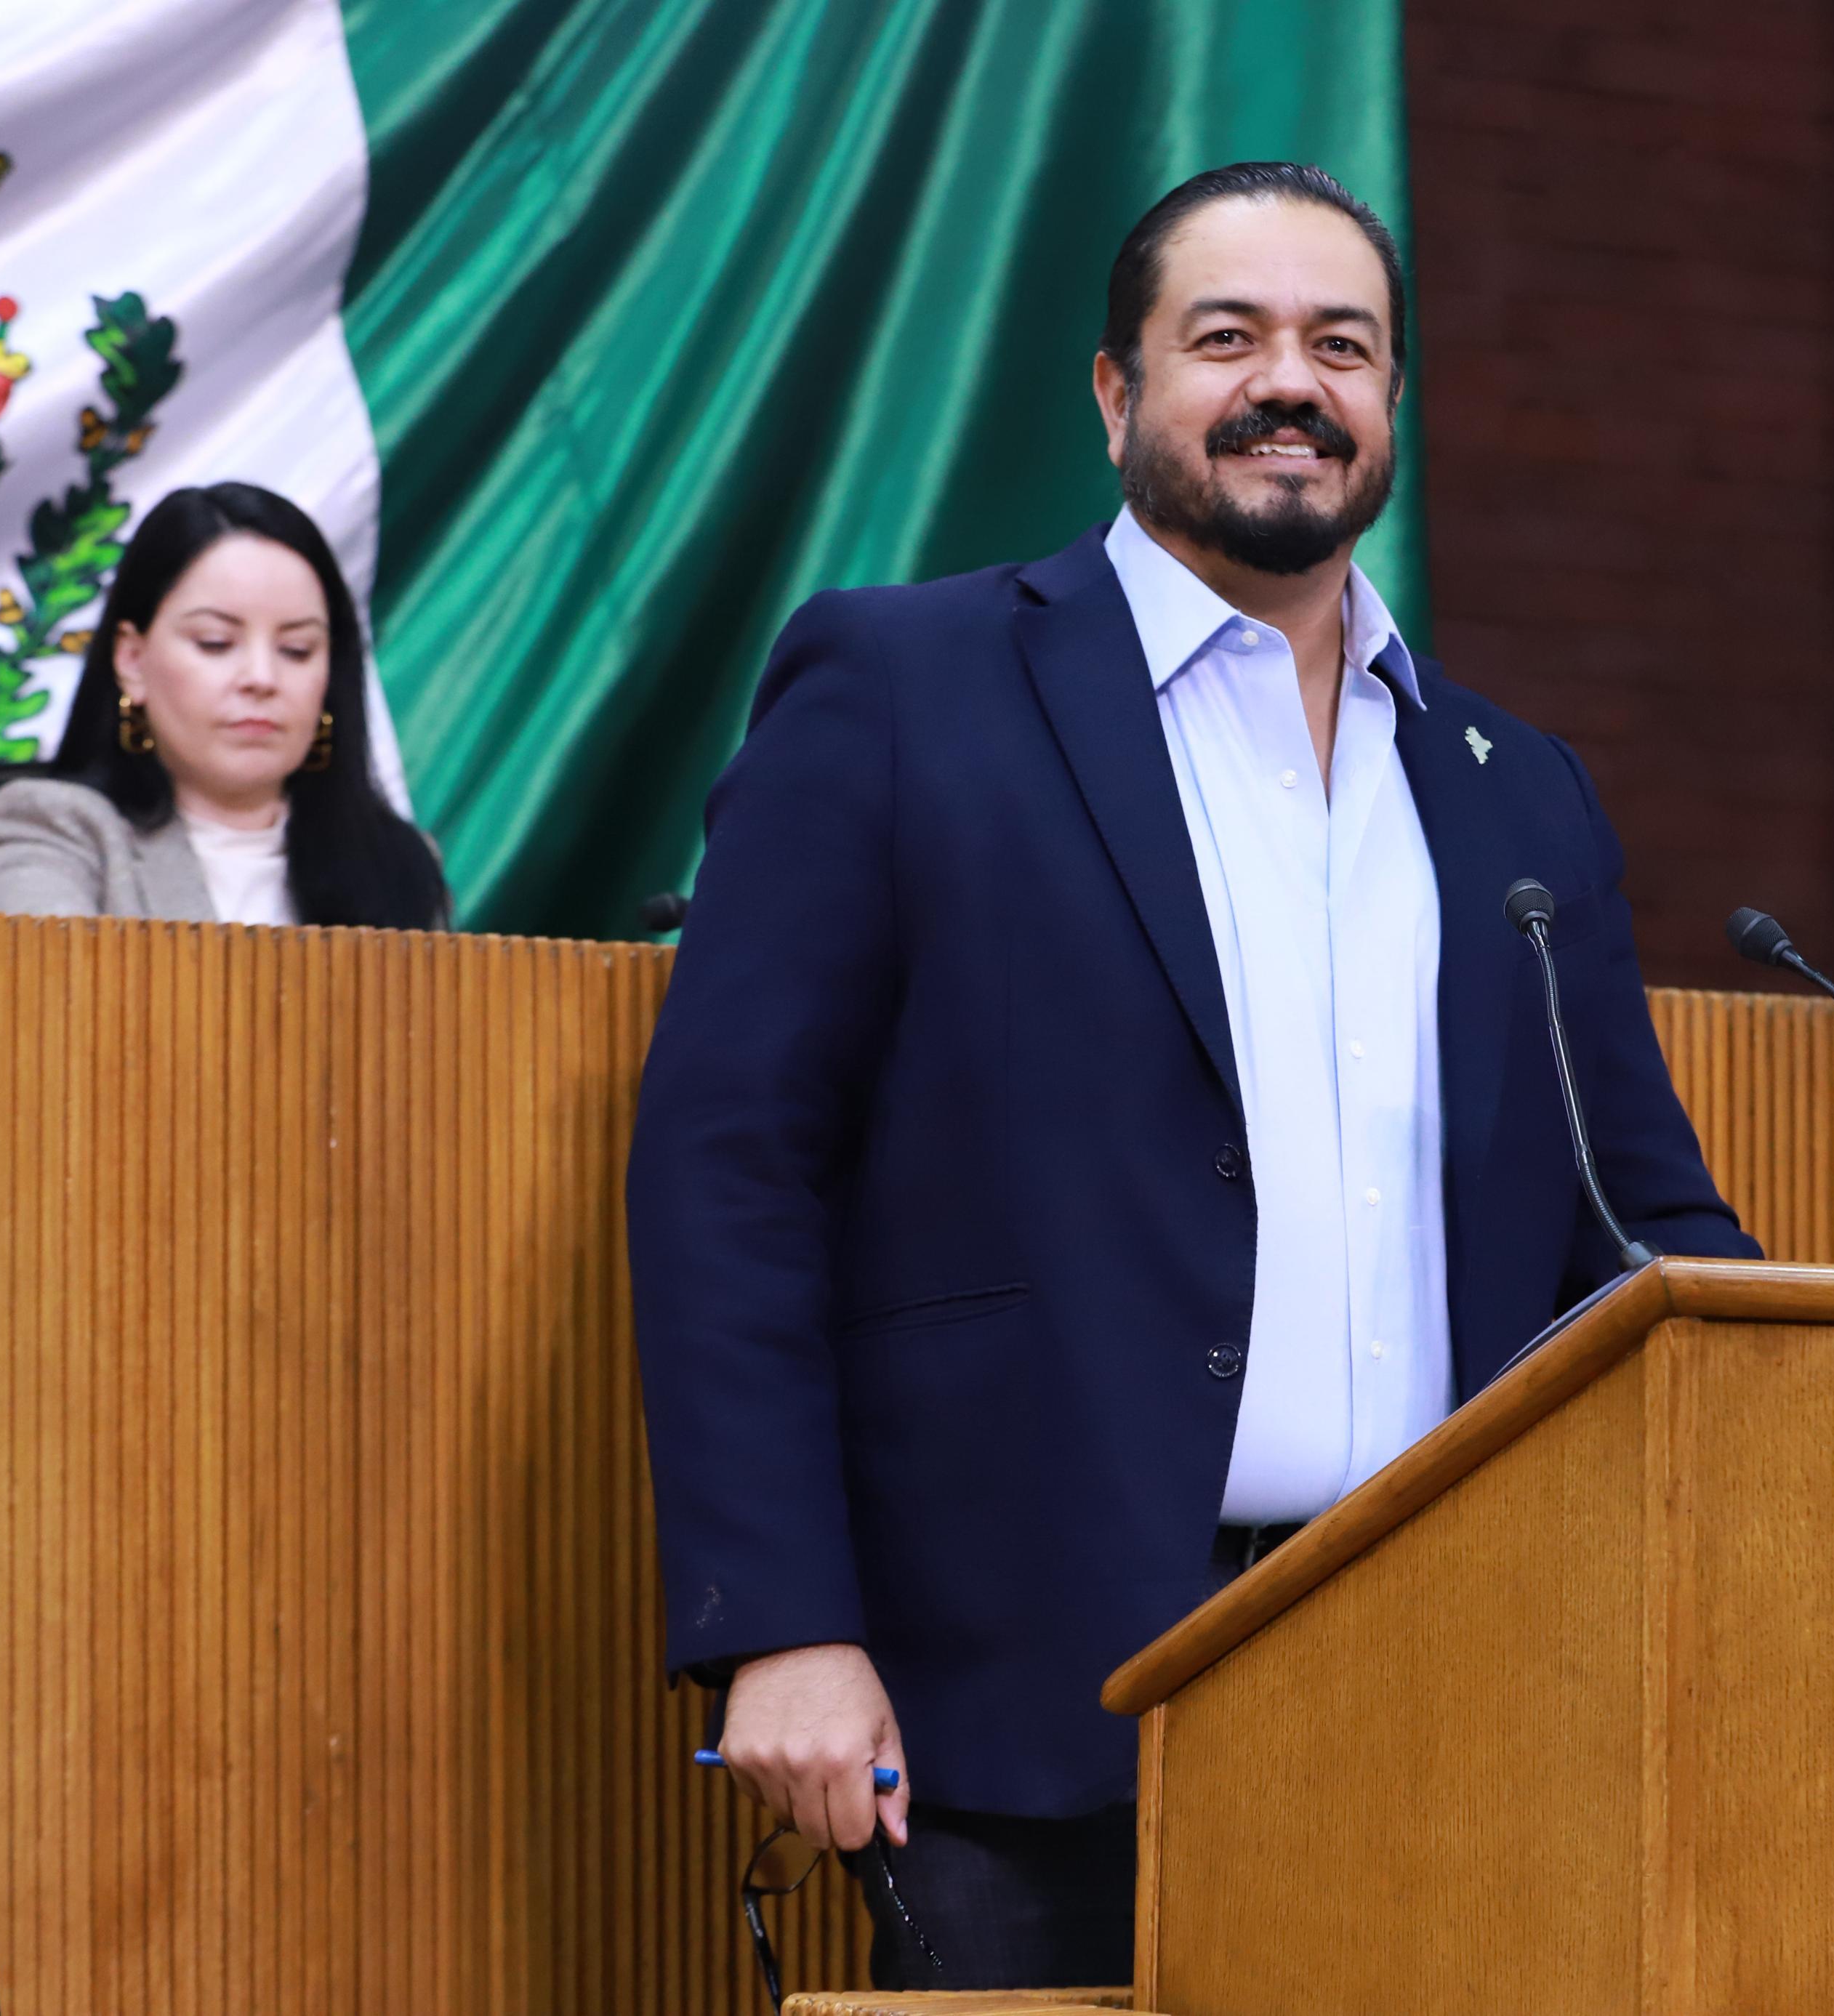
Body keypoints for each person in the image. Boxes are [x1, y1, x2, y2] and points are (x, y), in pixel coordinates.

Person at [627, 161, 1761, 1990]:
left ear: (1391, 404)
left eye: (1342, 345)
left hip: (1439, 1684)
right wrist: (783, 1624)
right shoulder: (906, 686)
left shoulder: (1511, 787)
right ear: (1113, 394)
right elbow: (730, 1167)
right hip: (1011, 1687)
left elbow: (1640, 1235)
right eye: (1223, 338)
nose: (1287, 383)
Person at [0, 483, 449, 930]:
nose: (261, 678)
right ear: (132, 659)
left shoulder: (399, 862)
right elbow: (47, 1014)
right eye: (216, 643)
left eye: (297, 650)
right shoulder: (50, 833)